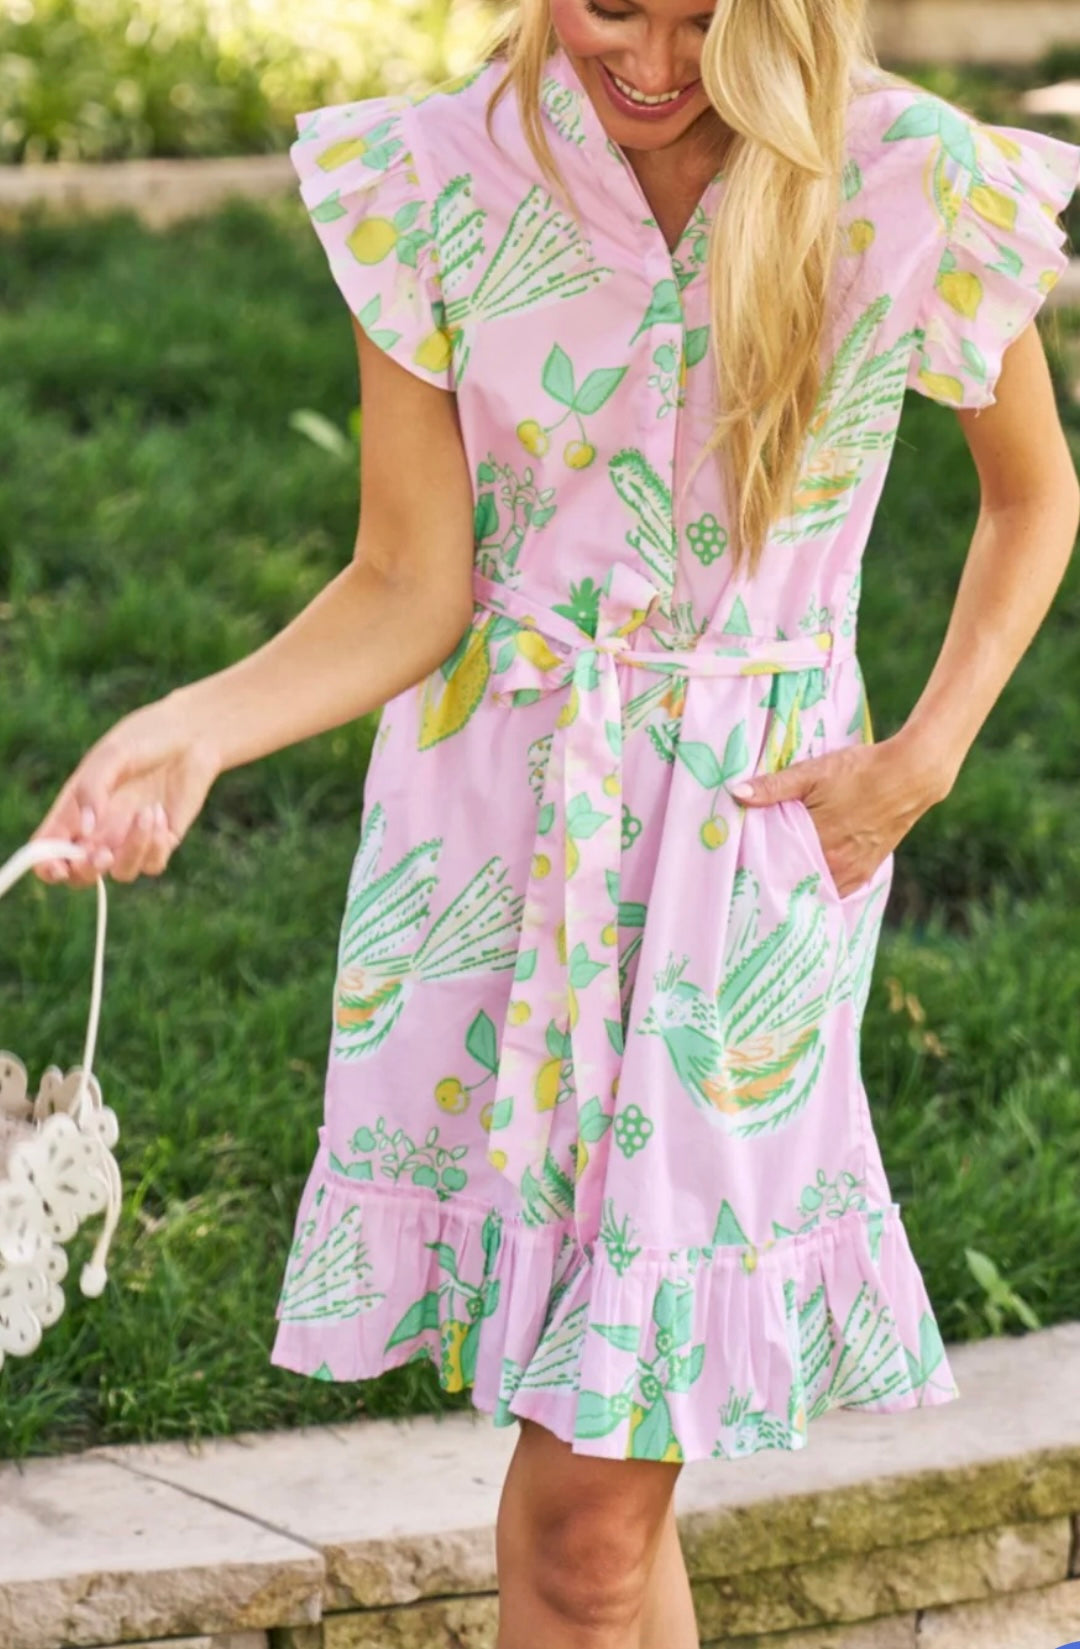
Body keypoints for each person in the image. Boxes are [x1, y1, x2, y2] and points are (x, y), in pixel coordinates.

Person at [31, 0, 1080, 1642]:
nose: (655, 67)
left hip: (750, 859)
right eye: (612, 14)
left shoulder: (907, 175)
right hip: (490, 845)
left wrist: (926, 756)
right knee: (601, 1500)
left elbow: (1034, 496)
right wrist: (193, 728)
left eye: (702, 21)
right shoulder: (434, 176)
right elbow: (408, 578)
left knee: (585, 1511)